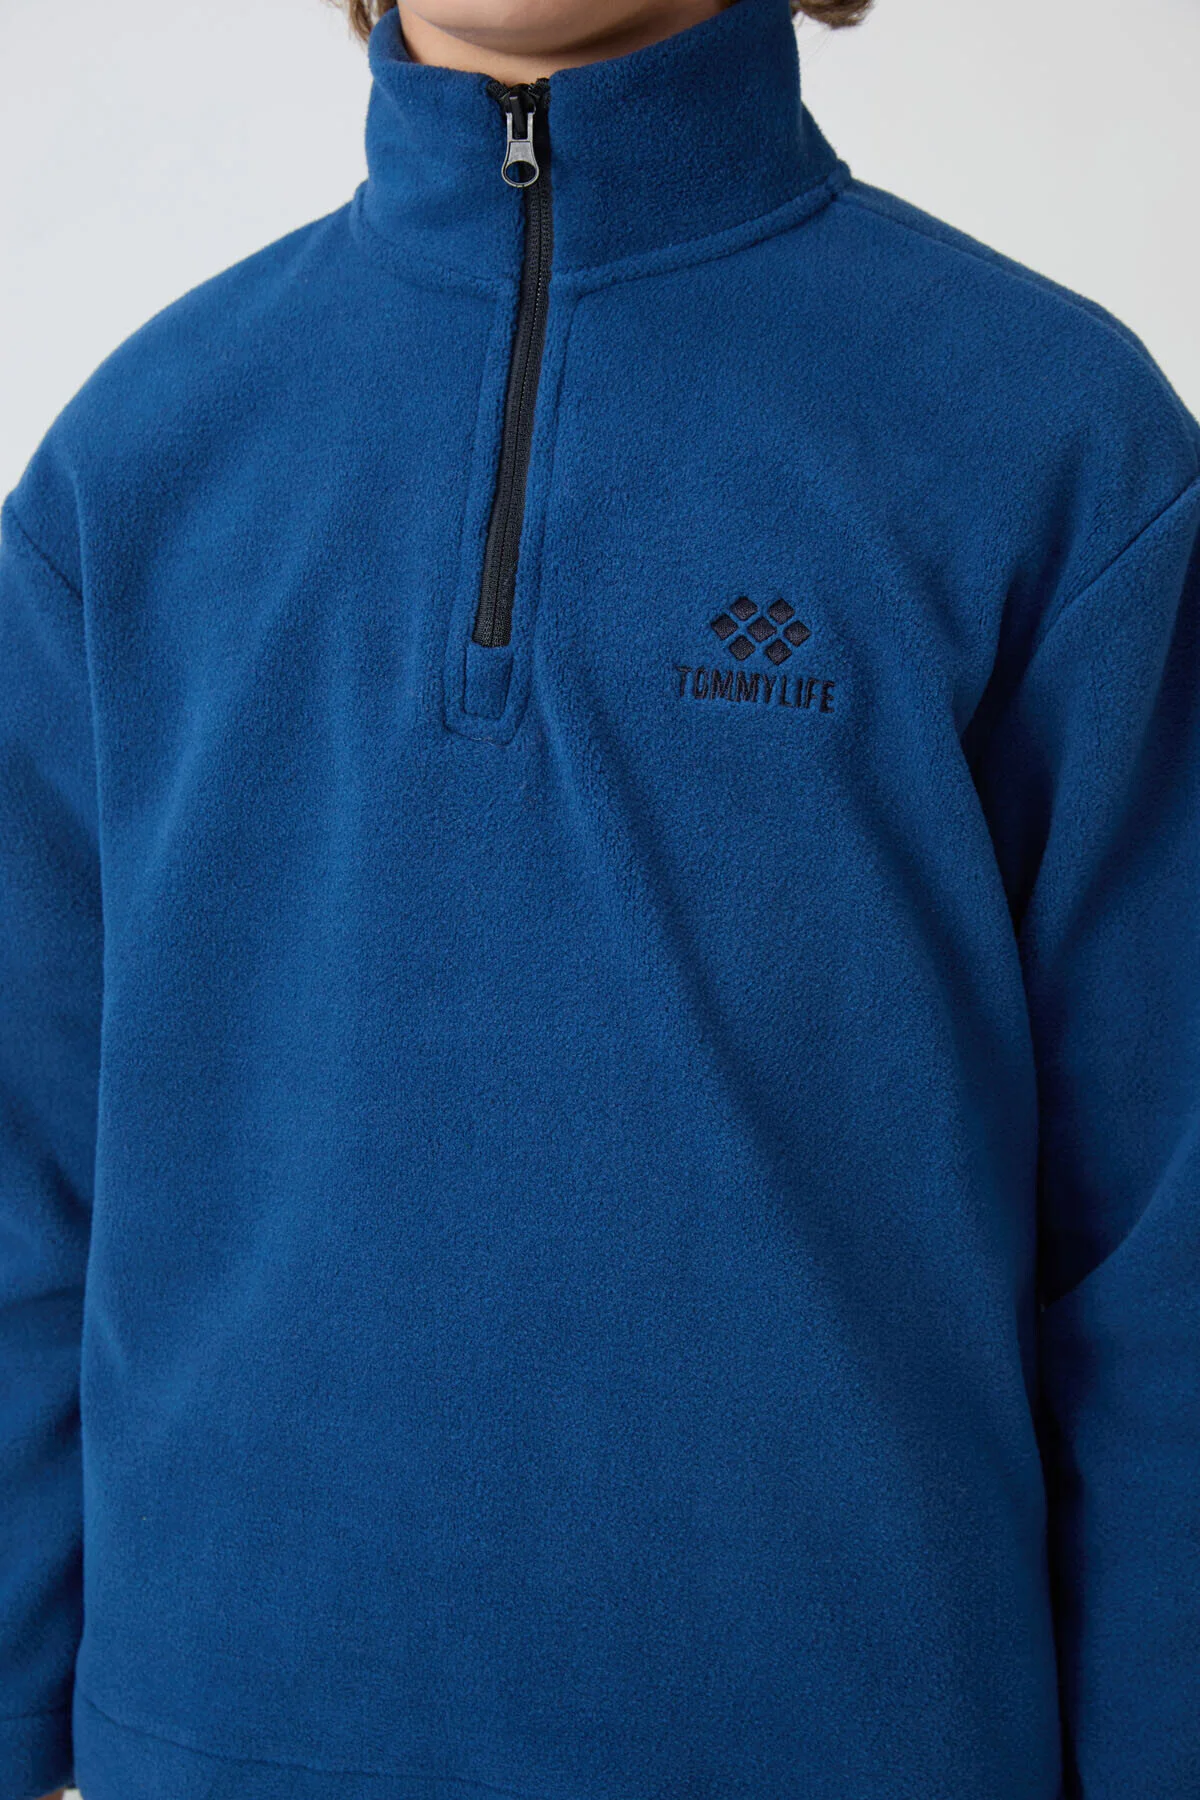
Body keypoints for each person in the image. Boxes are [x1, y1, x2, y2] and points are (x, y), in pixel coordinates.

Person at [3, 0, 1197, 1795]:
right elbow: (23, 1192)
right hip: (223, 1741)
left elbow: (1168, 1271)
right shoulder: (133, 472)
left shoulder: (1059, 451)